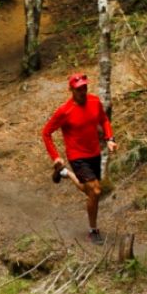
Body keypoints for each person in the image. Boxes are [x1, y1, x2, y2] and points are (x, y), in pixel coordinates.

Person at [41, 72, 117, 244]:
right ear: (71, 90)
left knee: (89, 190)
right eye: (78, 89)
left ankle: (66, 173)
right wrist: (55, 157)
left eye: (84, 87)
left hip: (94, 153)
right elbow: (46, 133)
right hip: (77, 156)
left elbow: (104, 120)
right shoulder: (64, 111)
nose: (82, 91)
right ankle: (93, 230)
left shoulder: (94, 101)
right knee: (96, 190)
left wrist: (110, 138)